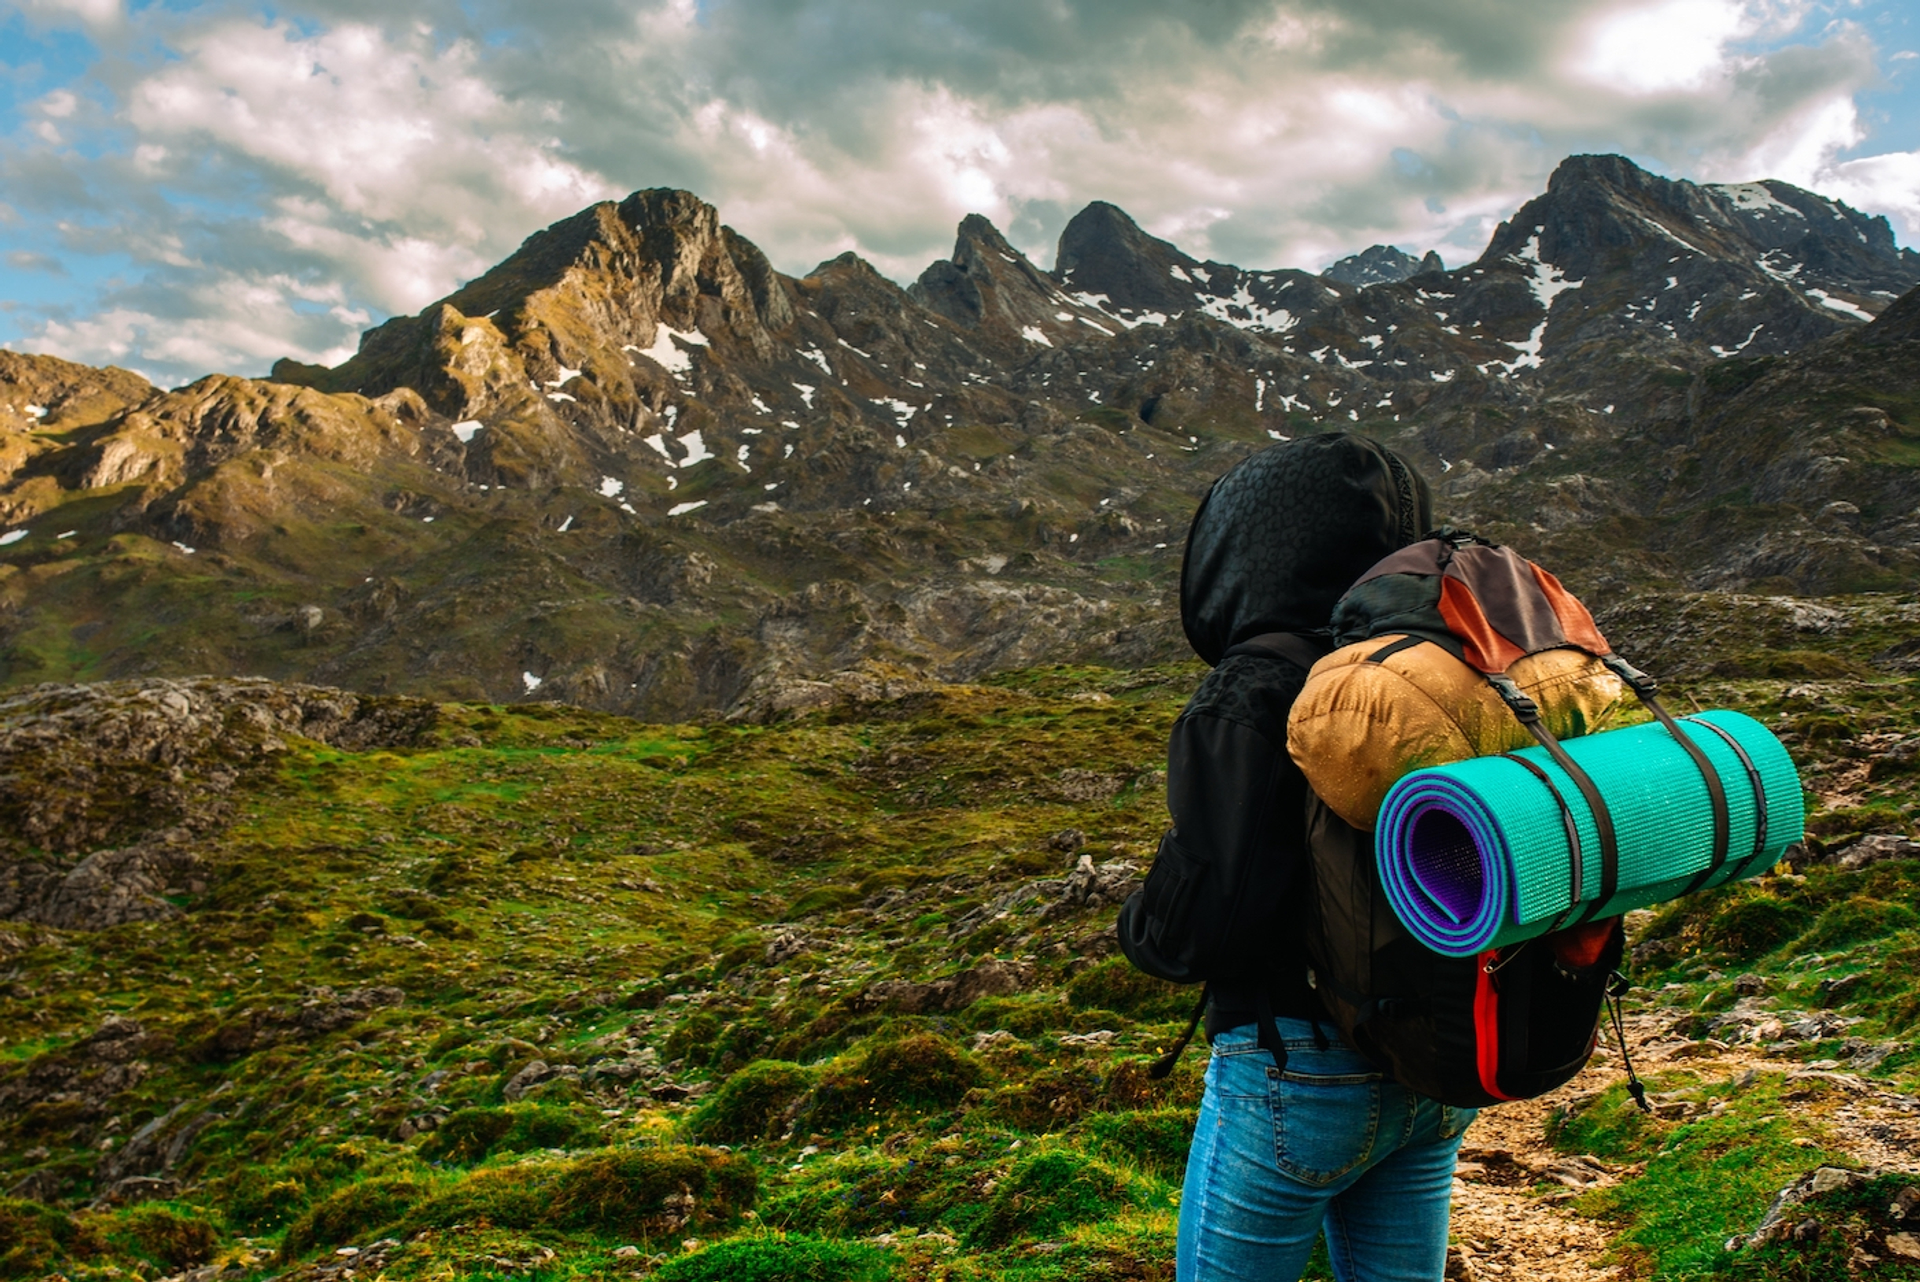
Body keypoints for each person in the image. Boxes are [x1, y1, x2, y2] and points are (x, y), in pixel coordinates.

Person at [1119, 433, 1473, 1282]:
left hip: (1296, 1075)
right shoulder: (1441, 663)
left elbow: (1208, 922)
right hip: (1435, 1067)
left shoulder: (1258, 682)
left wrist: (1142, 928)